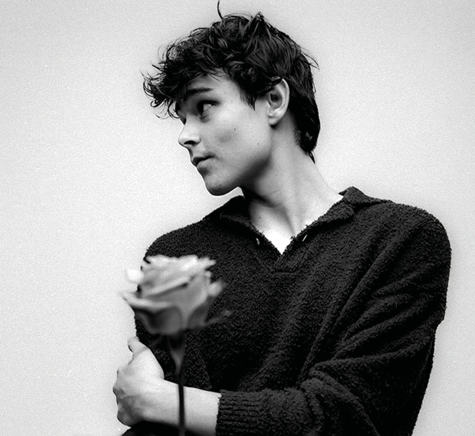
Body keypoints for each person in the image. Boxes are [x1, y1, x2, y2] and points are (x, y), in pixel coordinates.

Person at [113, 11, 451, 436]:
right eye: (183, 119)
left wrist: (168, 402)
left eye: (204, 107)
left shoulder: (400, 240)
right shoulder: (172, 262)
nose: (185, 136)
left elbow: (348, 420)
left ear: (274, 99)